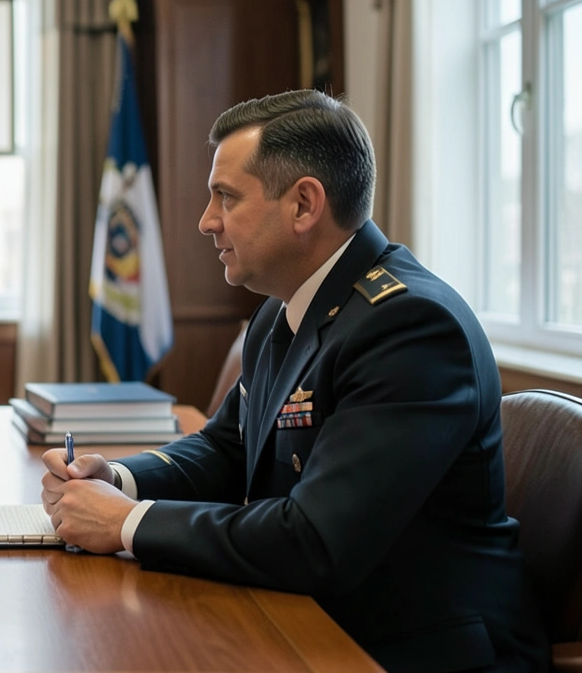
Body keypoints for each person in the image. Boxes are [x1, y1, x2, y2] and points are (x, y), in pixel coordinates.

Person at [40, 90, 548, 672]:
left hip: (415, 650)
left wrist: (127, 523)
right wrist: (121, 479)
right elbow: (228, 447)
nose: (206, 221)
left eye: (225, 198)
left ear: (304, 205)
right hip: (318, 620)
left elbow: (315, 540)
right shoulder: (285, 310)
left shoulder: (410, 327)